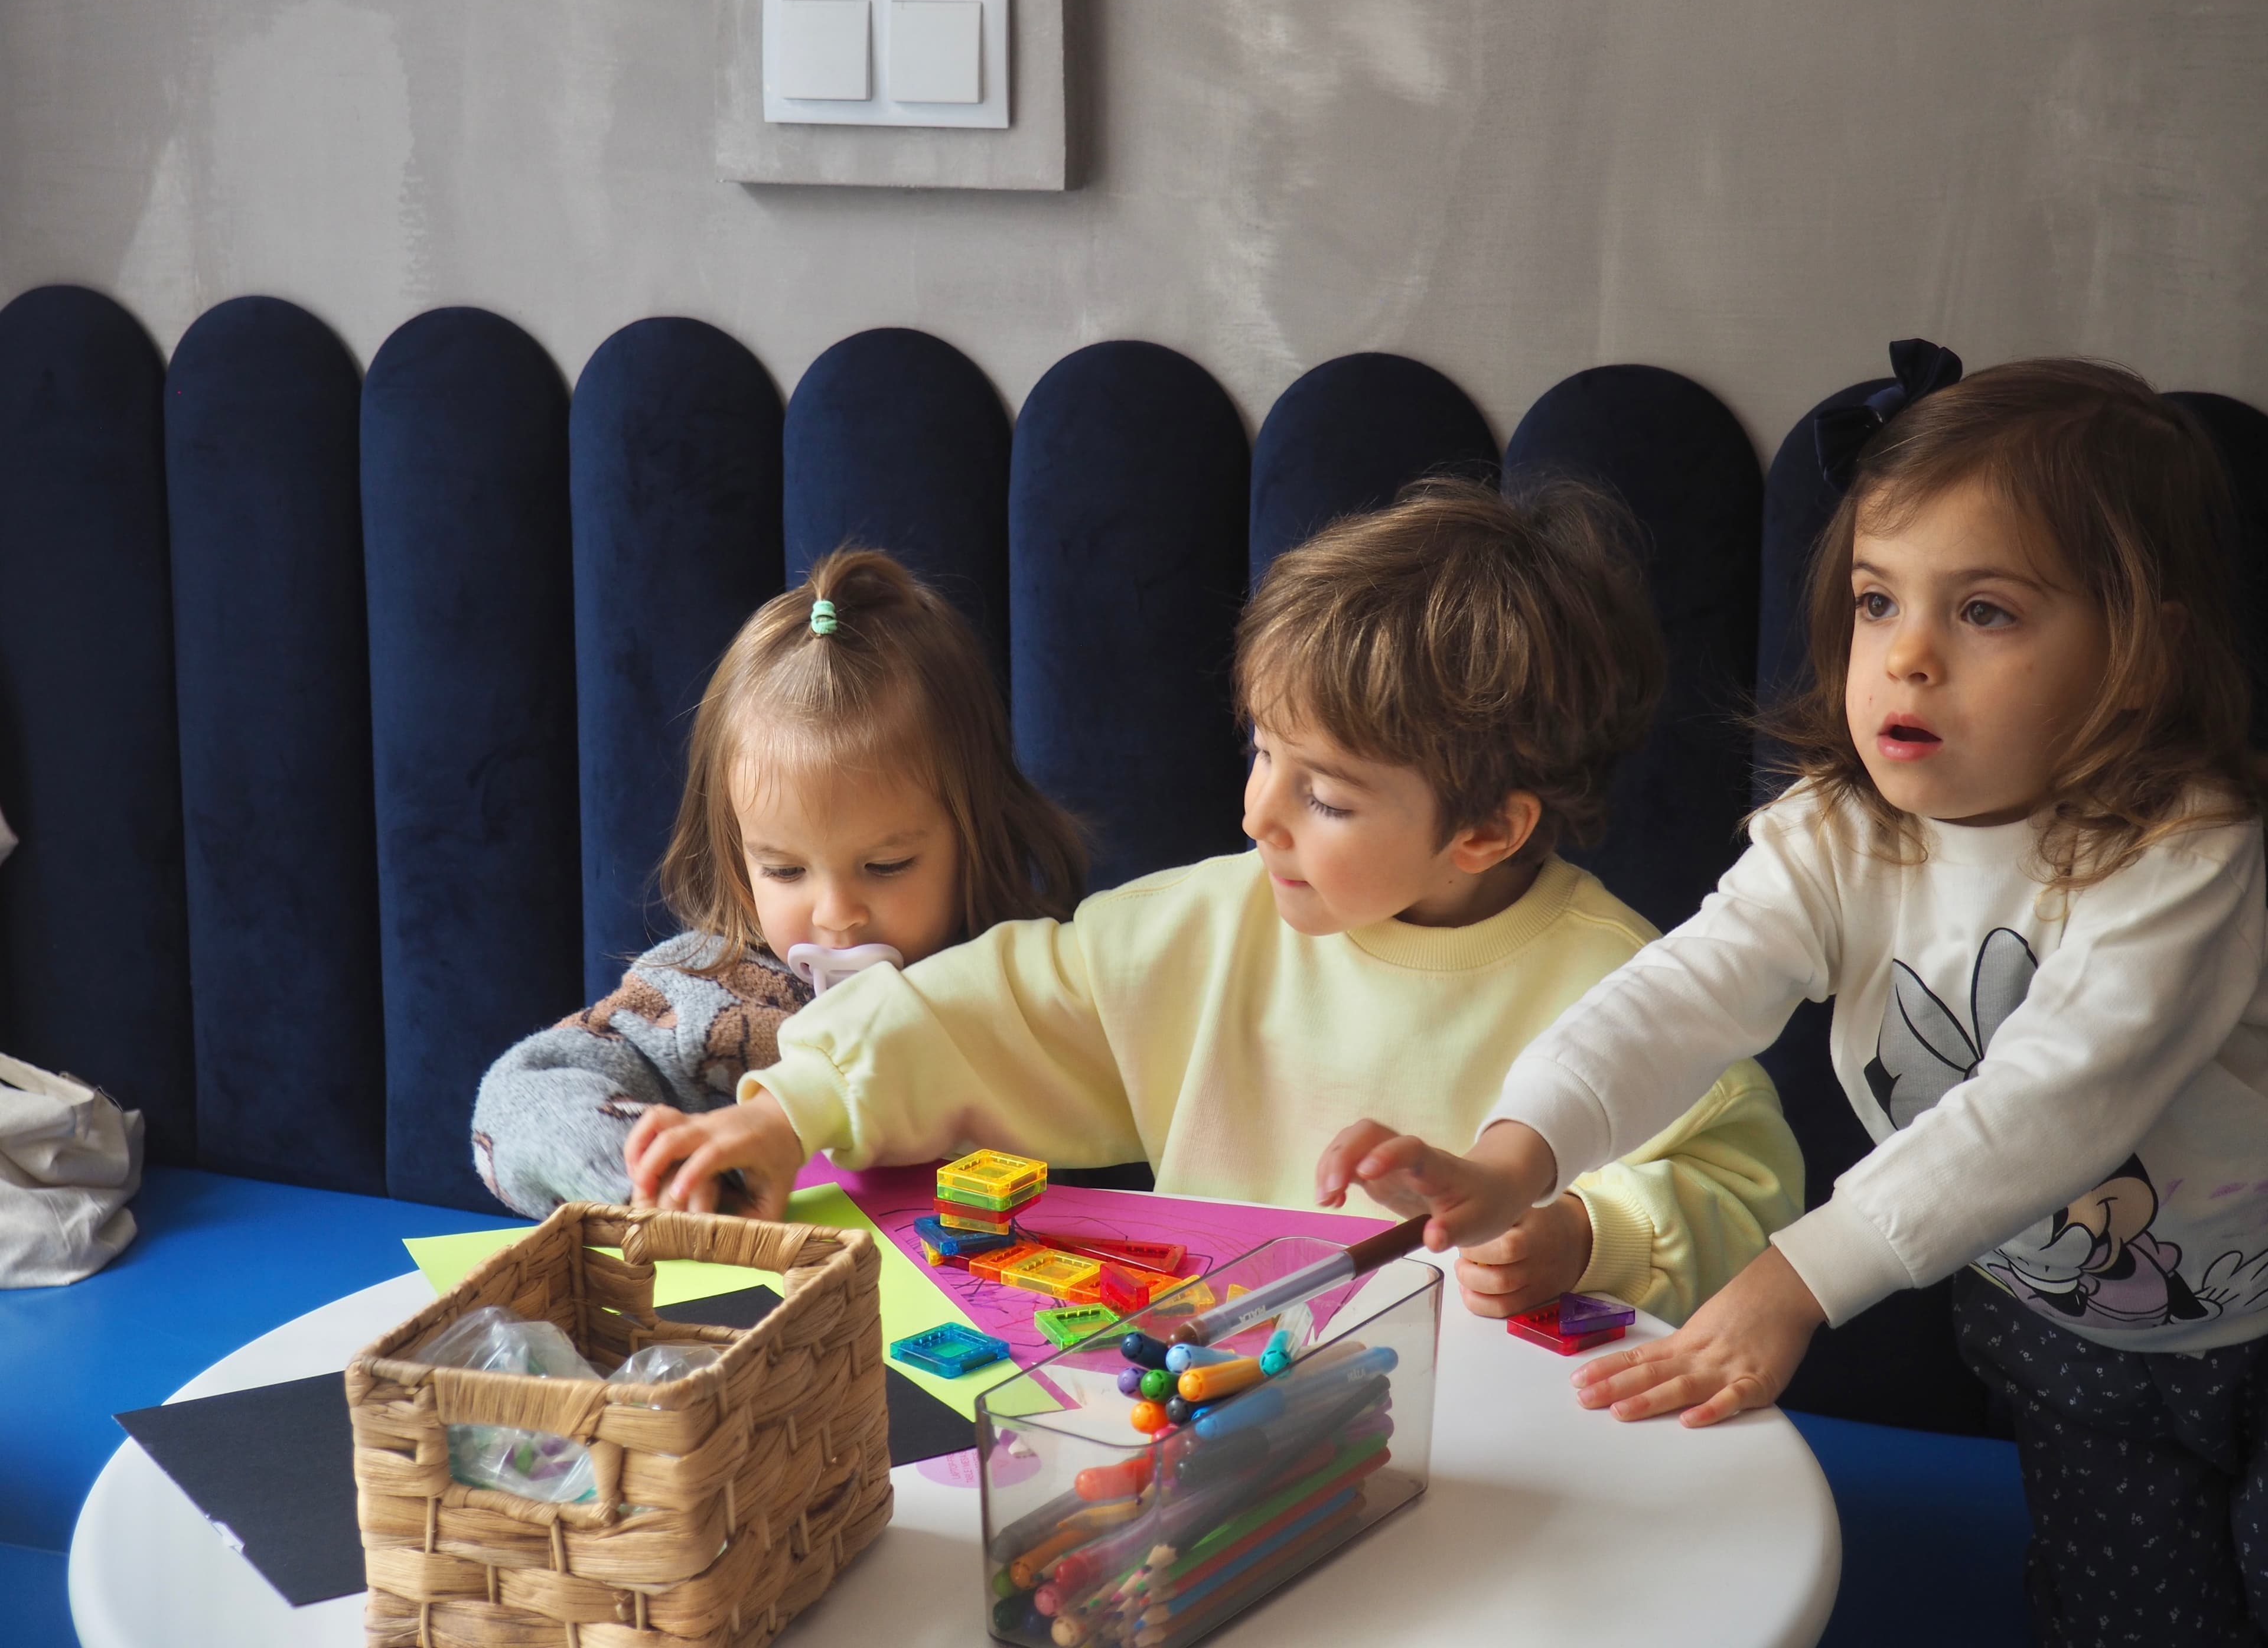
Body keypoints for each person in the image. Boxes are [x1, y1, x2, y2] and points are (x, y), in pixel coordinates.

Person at [1322, 350, 2268, 1643]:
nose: (1910, 658)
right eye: (1880, 603)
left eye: (1985, 612)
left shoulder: (2186, 849)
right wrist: (1513, 1155)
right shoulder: (1838, 835)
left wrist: (1791, 1282)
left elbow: (2059, 1100)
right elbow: (1684, 993)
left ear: (2140, 659)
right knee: (2127, 1622)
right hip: (2072, 1343)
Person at [628, 477, 1803, 1326]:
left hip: (1514, 1453)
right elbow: (995, 1011)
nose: (1258, 815)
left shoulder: (1622, 987)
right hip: (1221, 1406)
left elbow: (1739, 1179)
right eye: (1261, 754)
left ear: (1488, 830)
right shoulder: (1211, 925)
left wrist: (1584, 1238)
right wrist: (792, 1112)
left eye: (1326, 796)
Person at [470, 548, 1085, 1218]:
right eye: (785, 870)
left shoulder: (1039, 981)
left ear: (976, 836)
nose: (837, 914)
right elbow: (516, 1095)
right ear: (736, 857)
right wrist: (666, 1182)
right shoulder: (703, 994)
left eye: (886, 866)